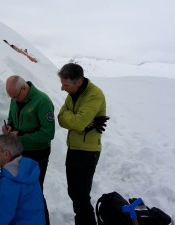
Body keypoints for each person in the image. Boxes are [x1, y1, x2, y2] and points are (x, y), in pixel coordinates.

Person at [57, 63, 107, 225]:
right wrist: (78, 120)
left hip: (87, 151)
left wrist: (76, 119)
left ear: (78, 81)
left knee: (81, 195)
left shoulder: (94, 95)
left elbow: (78, 123)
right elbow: (60, 118)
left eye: (66, 84)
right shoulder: (73, 93)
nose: (62, 88)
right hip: (73, 148)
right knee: (74, 192)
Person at [2, 75, 55, 225]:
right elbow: (12, 117)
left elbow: (48, 133)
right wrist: (10, 127)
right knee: (19, 191)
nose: (14, 100)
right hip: (19, 152)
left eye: (15, 96)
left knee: (34, 192)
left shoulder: (42, 101)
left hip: (37, 154)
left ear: (24, 88)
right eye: (10, 97)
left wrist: (21, 137)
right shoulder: (15, 98)